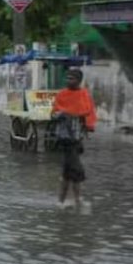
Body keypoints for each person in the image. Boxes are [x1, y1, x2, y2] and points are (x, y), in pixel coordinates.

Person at [52, 68, 97, 209]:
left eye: (72, 78)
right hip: (65, 138)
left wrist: (89, 125)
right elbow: (53, 113)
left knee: (68, 171)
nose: (68, 81)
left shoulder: (84, 94)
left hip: (77, 137)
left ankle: (62, 201)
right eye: (67, 78)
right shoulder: (61, 95)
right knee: (76, 169)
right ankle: (77, 200)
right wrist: (62, 114)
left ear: (79, 80)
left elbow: (89, 112)